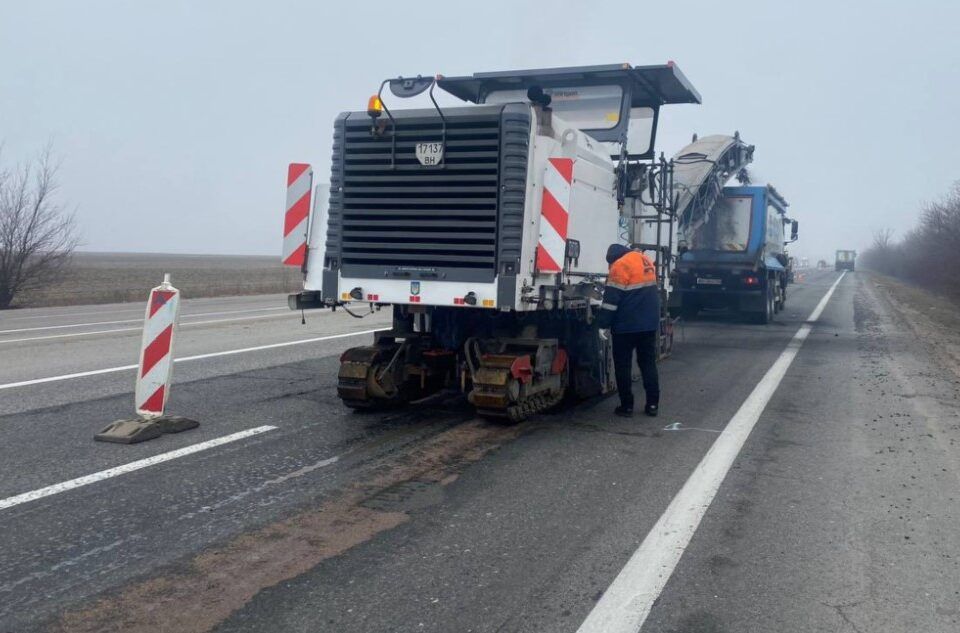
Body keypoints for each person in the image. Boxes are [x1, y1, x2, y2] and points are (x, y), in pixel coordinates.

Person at [596, 243, 661, 417]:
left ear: (614, 259)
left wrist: (602, 325)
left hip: (626, 326)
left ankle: (627, 406)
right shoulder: (645, 260)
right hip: (649, 324)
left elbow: (611, 301)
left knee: (623, 366)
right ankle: (652, 405)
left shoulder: (620, 265)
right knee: (648, 364)